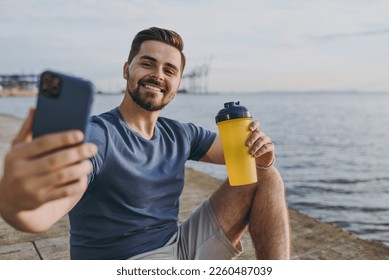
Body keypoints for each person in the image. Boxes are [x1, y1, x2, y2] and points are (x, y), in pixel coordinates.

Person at [0, 27, 290, 260]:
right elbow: (41, 216)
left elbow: (245, 158)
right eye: (148, 63)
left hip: (180, 246)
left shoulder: (180, 134)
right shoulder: (98, 135)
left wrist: (262, 153)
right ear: (127, 69)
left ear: (176, 84)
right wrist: (15, 202)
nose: (158, 75)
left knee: (267, 176)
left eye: (169, 70)